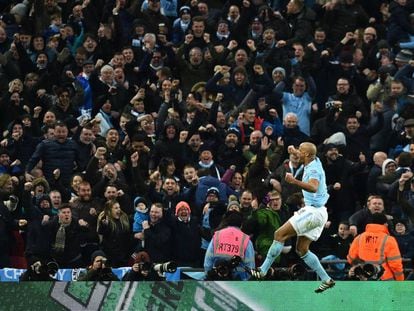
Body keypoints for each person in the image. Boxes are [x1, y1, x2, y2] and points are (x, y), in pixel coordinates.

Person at [251, 142, 335, 293]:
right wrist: (294, 150)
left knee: (279, 234)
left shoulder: (314, 169)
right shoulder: (315, 160)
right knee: (302, 250)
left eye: (300, 151)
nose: (298, 153)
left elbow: (314, 186)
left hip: (312, 211)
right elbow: (306, 153)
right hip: (321, 212)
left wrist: (294, 181)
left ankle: (262, 271)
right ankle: (326, 279)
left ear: (307, 155)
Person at [347, 213, 404, 281]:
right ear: (385, 224)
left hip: (364, 279)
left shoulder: (359, 238)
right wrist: (400, 281)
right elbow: (396, 265)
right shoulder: (389, 240)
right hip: (384, 280)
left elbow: (351, 259)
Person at [204, 210, 255, 280]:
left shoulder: (217, 235)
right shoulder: (245, 239)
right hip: (238, 281)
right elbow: (250, 264)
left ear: (227, 223)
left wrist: (209, 275)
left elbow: (208, 259)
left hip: (218, 278)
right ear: (241, 224)